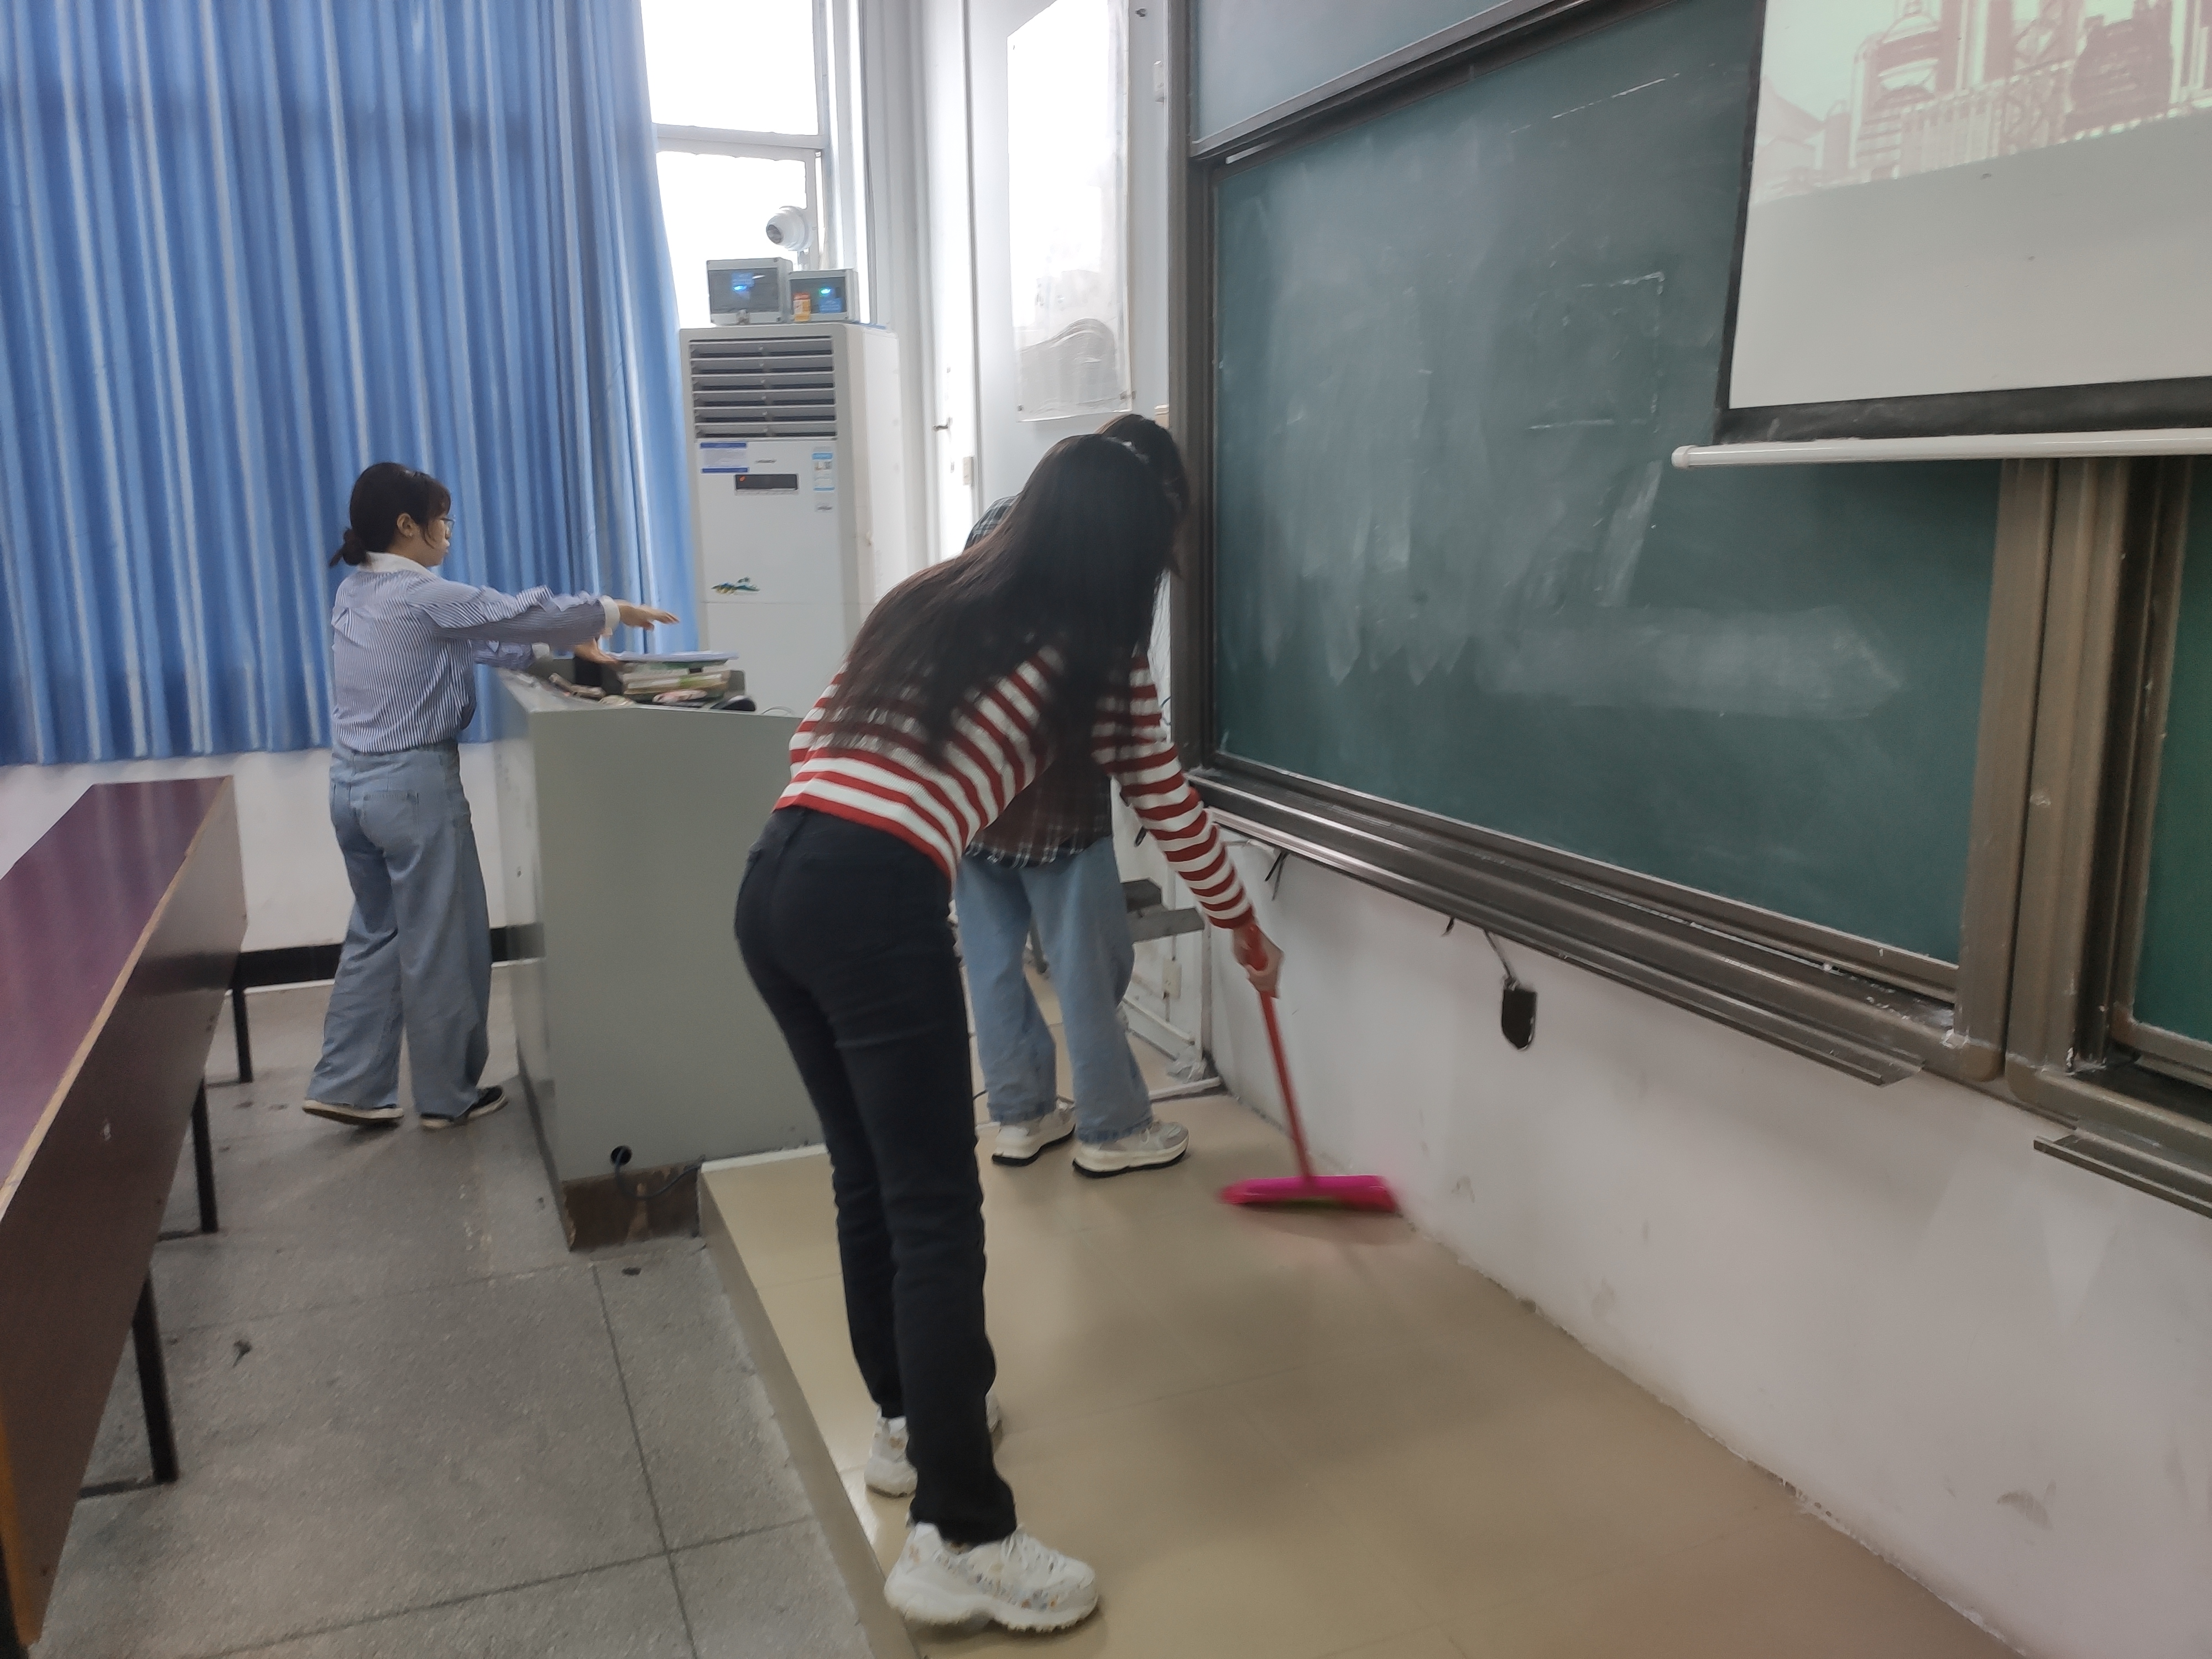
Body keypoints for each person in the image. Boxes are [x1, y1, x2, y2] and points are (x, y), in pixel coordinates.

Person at [735, 433, 1282, 1634]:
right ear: (1131, 550)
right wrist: (1243, 924)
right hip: (873, 898)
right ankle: (964, 1538)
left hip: (776, 877)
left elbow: (814, 737)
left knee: (869, 1180)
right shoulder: (1099, 656)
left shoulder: (927, 597)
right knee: (937, 1211)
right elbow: (1168, 806)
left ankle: (903, 1424)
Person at [305, 462, 677, 1130]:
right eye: (441, 518)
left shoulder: (355, 592)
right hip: (412, 790)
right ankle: (447, 1098)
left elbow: (469, 642)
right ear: (408, 525)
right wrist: (612, 611)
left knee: (378, 934)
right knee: (444, 944)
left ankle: (348, 1084)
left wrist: (543, 657)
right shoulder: (423, 593)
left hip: (351, 787)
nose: (449, 530)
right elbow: (514, 612)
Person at [955, 415, 1197, 1175]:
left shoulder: (1002, 523)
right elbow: (1112, 706)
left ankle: (1021, 1118)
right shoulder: (1106, 556)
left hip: (975, 794)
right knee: (1090, 968)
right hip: (1060, 803)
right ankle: (1112, 1127)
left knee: (993, 964)